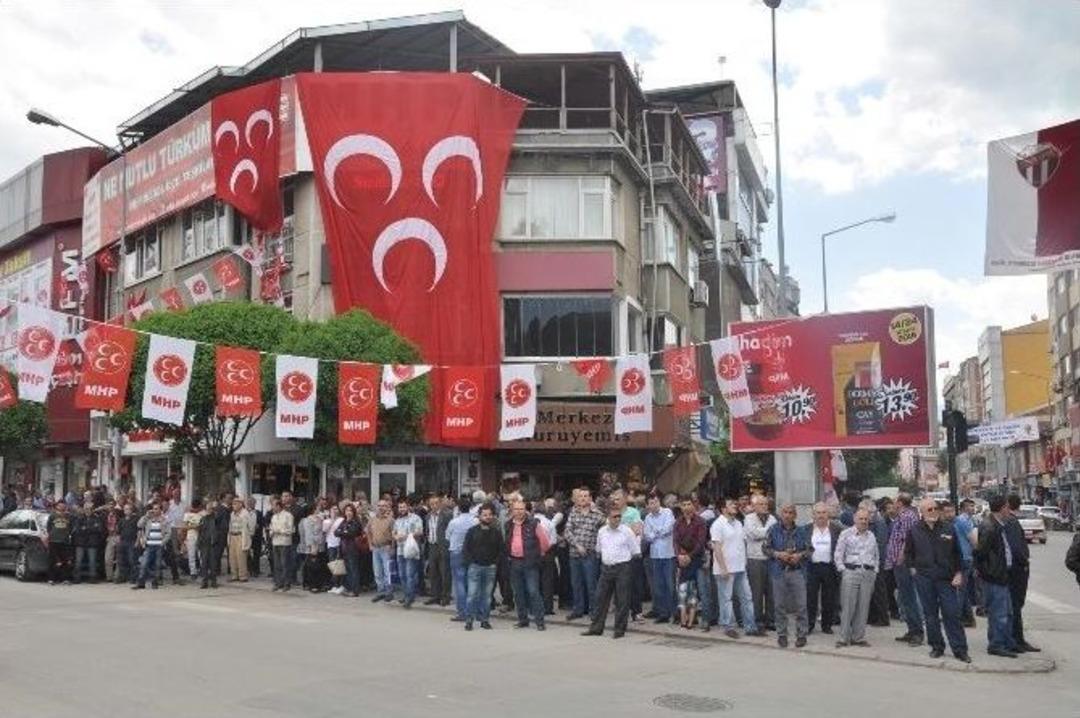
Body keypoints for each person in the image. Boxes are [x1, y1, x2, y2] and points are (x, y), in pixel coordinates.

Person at [905, 498, 971, 663]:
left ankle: (960, 649)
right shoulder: (914, 530)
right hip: (925, 578)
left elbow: (958, 553)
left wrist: (959, 573)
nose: (933, 512)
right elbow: (908, 553)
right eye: (929, 509)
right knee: (930, 615)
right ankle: (937, 646)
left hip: (946, 579)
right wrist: (913, 569)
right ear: (922, 512)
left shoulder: (949, 528)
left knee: (951, 613)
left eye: (935, 508)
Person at [582, 506, 640, 639]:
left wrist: (626, 565)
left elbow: (635, 551)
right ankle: (596, 627)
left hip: (622, 567)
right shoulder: (602, 531)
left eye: (619, 516)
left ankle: (619, 630)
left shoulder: (627, 531)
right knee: (600, 598)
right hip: (606, 567)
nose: (617, 519)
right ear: (608, 518)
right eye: (614, 516)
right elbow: (599, 549)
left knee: (622, 600)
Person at [975, 496, 1019, 658]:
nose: (1010, 510)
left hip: (1002, 575)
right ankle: (996, 644)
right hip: (994, 576)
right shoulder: (989, 527)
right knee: (998, 613)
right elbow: (980, 553)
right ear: (1001, 509)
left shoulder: (999, 525)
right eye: (1007, 507)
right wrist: (988, 573)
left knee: (1007, 612)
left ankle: (1007, 642)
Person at [763, 504, 811, 648]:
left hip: (797, 571)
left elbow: (810, 549)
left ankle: (802, 635)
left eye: (791, 513)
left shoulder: (802, 530)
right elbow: (765, 548)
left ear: (795, 515)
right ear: (781, 514)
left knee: (801, 606)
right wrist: (778, 554)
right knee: (779, 606)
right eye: (785, 512)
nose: (788, 515)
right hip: (779, 571)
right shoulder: (773, 530)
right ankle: (782, 634)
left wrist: (799, 555)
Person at [711, 498, 760, 638]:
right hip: (726, 569)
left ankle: (750, 626)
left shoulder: (739, 523)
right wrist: (723, 568)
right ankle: (728, 626)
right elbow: (717, 548)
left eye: (734, 504)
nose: (735, 506)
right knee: (726, 599)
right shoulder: (718, 524)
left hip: (740, 567)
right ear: (723, 509)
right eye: (731, 504)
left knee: (747, 597)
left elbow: (742, 544)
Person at [833, 508, 879, 648]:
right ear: (855, 519)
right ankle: (843, 637)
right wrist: (843, 569)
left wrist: (875, 571)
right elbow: (838, 553)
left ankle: (858, 637)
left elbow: (876, 555)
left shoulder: (871, 535)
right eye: (861, 518)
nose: (864, 521)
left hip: (868, 574)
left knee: (863, 606)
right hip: (851, 572)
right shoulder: (846, 534)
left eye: (866, 519)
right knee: (847, 606)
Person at [506, 498, 551, 630]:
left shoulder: (533, 524)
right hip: (514, 561)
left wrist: (538, 555)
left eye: (521, 509)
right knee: (518, 592)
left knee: (533, 592)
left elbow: (545, 543)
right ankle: (523, 619)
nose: (519, 511)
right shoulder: (508, 524)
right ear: (512, 510)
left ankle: (540, 621)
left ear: (525, 510)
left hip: (530, 563)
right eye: (516, 509)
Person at [887, 493, 924, 645]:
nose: (894, 503)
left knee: (909, 598)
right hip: (898, 563)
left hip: (903, 563)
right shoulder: (902, 516)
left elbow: (907, 539)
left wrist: (901, 557)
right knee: (905, 598)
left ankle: (917, 632)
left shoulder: (907, 516)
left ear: (900, 503)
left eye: (895, 500)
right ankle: (911, 630)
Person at [1003, 495, 1039, 653]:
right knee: (1015, 605)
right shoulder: (1011, 522)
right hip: (1017, 570)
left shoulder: (1009, 520)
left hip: (1014, 568)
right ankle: (1016, 640)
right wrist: (1025, 562)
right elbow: (1015, 548)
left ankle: (1015, 639)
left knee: (1014, 605)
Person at [463, 502, 505, 631]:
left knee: (487, 597)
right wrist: (471, 562)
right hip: (475, 567)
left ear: (493, 516)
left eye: (489, 515)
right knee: (472, 595)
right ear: (479, 516)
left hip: (490, 568)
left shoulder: (496, 532)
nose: (487, 517)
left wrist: (495, 563)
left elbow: (501, 550)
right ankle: (469, 620)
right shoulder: (472, 531)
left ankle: (485, 620)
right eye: (484, 515)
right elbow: (466, 549)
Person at [564, 488, 604, 620]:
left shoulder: (597, 515)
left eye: (586, 496)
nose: (583, 499)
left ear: (590, 498)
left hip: (590, 554)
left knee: (591, 584)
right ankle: (578, 610)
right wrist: (577, 545)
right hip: (574, 554)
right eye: (580, 496)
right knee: (576, 584)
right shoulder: (573, 513)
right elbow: (567, 532)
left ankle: (594, 611)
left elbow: (606, 530)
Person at [805, 502, 841, 635]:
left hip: (829, 567)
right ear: (813, 515)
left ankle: (827, 625)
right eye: (818, 513)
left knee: (829, 598)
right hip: (812, 567)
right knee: (810, 597)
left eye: (824, 512)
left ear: (828, 514)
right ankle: (809, 624)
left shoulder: (837, 529)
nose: (821, 515)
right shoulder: (806, 529)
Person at [743, 494, 777, 631]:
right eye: (761, 504)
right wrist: (768, 532)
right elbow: (753, 534)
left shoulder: (773, 518)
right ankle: (757, 619)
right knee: (756, 592)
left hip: (770, 559)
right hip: (755, 559)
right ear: (754, 506)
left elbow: (775, 534)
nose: (764, 506)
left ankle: (771, 619)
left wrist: (763, 532)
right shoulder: (748, 518)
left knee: (771, 591)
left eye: (766, 504)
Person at [674, 496, 707, 629]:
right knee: (682, 589)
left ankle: (697, 619)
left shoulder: (701, 521)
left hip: (696, 559)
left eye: (689, 504)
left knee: (697, 590)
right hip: (682, 559)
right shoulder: (678, 522)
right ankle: (682, 617)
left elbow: (701, 542)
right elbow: (675, 541)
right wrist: (679, 556)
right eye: (684, 504)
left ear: (693, 505)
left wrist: (690, 556)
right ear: (680, 507)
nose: (687, 507)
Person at [643, 494, 676, 624]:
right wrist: (657, 533)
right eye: (651, 503)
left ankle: (675, 612)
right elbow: (647, 536)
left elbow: (668, 529)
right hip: (655, 555)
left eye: (656, 501)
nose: (654, 504)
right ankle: (663, 613)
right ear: (647, 506)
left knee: (670, 585)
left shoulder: (667, 512)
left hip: (668, 554)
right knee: (658, 585)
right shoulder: (647, 517)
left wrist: (655, 532)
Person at [446, 496, 477, 622]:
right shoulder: (475, 521)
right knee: (472, 582)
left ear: (458, 508)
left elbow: (447, 536)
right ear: (470, 508)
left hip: (456, 553)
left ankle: (462, 612)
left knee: (459, 582)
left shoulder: (454, 522)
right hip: (472, 553)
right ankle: (472, 610)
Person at [868, 497, 894, 626]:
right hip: (874, 560)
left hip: (878, 561)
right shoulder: (876, 521)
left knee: (880, 590)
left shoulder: (879, 522)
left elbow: (881, 543)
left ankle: (883, 618)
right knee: (875, 590)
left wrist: (878, 561)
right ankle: (874, 616)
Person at [393, 499, 424, 608]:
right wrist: (395, 536)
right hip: (400, 551)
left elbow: (420, 532)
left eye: (403, 507)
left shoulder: (415, 518)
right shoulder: (397, 520)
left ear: (408, 507)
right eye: (400, 507)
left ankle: (409, 597)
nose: (401, 509)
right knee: (402, 575)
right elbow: (394, 532)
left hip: (411, 550)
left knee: (410, 575)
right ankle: (406, 594)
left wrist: (406, 536)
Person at [425, 494, 453, 606]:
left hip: (443, 546)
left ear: (440, 503)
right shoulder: (428, 516)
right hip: (432, 545)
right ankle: (435, 595)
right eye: (432, 504)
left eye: (436, 503)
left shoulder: (447, 515)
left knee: (444, 572)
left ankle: (446, 596)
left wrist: (448, 544)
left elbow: (450, 531)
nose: (434, 506)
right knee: (433, 572)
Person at [954, 498, 978, 627]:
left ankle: (966, 618)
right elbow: (974, 541)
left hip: (966, 557)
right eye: (969, 506)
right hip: (964, 557)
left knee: (963, 589)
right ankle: (961, 617)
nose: (972, 508)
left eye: (973, 506)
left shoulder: (968, 520)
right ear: (963, 508)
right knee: (961, 589)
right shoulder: (963, 520)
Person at [133, 503, 168, 590]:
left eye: (157, 509)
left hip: (159, 545)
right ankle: (141, 582)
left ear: (160, 510)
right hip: (149, 545)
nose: (155, 510)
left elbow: (168, 532)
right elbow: (139, 525)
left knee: (157, 565)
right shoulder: (148, 519)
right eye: (154, 509)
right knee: (144, 563)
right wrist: (146, 515)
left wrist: (163, 542)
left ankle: (154, 582)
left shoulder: (164, 520)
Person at [368, 498, 396, 602]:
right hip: (375, 548)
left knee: (387, 571)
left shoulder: (391, 520)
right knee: (377, 572)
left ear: (387, 507)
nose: (381, 507)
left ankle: (389, 592)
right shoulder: (372, 519)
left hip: (386, 548)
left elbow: (394, 535)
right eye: (379, 505)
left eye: (383, 506)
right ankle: (380, 592)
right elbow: (368, 532)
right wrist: (370, 544)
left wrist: (392, 547)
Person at [335, 504, 364, 597]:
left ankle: (355, 590)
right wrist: (344, 532)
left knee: (353, 569)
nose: (348, 512)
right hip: (344, 549)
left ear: (353, 512)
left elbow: (352, 533)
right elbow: (336, 532)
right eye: (347, 510)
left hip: (353, 549)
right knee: (347, 569)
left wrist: (343, 532)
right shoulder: (343, 521)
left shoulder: (355, 522)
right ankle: (348, 588)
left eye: (350, 510)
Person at [196, 499, 225, 589]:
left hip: (213, 544)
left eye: (211, 509)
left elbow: (220, 530)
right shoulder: (203, 519)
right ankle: (204, 581)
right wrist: (199, 542)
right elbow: (200, 531)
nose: (209, 510)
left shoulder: (216, 519)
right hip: (204, 544)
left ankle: (213, 581)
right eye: (208, 508)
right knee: (204, 564)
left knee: (213, 564)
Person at [72, 502, 104, 583]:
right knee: (78, 561)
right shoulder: (79, 518)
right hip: (80, 542)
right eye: (86, 509)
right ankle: (76, 577)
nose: (88, 510)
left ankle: (92, 577)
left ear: (92, 510)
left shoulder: (97, 518)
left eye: (90, 509)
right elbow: (78, 530)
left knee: (92, 561)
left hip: (92, 543)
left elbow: (99, 529)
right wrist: (91, 528)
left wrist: (86, 528)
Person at [299, 503, 328, 592]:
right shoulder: (308, 520)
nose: (319, 509)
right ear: (314, 509)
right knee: (311, 566)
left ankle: (319, 584)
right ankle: (311, 584)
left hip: (320, 545)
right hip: (312, 546)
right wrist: (312, 546)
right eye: (318, 508)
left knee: (319, 566)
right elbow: (308, 534)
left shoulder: (320, 519)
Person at [45, 500, 75, 585]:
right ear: (57, 506)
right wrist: (51, 535)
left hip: (65, 541)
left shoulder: (68, 516)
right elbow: (48, 527)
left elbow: (71, 527)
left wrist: (68, 534)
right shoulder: (52, 516)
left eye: (63, 505)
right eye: (60, 505)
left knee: (65, 560)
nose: (62, 507)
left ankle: (65, 579)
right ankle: (51, 579)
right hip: (54, 540)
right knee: (53, 561)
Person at [269, 499, 295, 592]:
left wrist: (279, 531)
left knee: (285, 563)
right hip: (275, 542)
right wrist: (272, 532)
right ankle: (278, 583)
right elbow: (271, 528)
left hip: (285, 542)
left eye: (274, 505)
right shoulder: (274, 516)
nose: (272, 507)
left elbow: (291, 530)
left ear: (279, 506)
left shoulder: (288, 515)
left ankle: (286, 583)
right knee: (277, 564)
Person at [226, 498, 253, 583]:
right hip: (232, 535)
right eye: (233, 504)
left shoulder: (246, 513)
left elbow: (251, 526)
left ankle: (243, 576)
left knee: (241, 556)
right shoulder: (232, 514)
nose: (233, 505)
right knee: (232, 557)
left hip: (241, 536)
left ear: (241, 504)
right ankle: (234, 575)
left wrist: (249, 535)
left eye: (235, 503)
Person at [182, 499, 206, 581]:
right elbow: (185, 526)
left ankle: (203, 570)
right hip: (191, 535)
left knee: (201, 554)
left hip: (201, 535)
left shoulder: (203, 514)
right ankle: (193, 572)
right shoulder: (187, 514)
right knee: (191, 554)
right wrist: (193, 527)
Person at [116, 503, 140, 584]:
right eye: (125, 509)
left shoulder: (136, 519)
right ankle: (122, 577)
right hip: (123, 541)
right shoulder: (121, 520)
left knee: (132, 560)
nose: (126, 510)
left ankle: (133, 578)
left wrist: (137, 541)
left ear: (131, 510)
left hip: (132, 541)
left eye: (128, 509)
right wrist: (119, 542)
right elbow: (118, 532)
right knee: (121, 560)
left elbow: (139, 531)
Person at [247, 497, 265, 578]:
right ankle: (250, 569)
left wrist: (258, 526)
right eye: (249, 502)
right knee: (247, 553)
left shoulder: (259, 513)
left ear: (255, 503)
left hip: (257, 536)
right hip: (247, 536)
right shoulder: (244, 513)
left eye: (252, 502)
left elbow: (262, 523)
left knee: (257, 554)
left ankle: (256, 570)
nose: (251, 504)